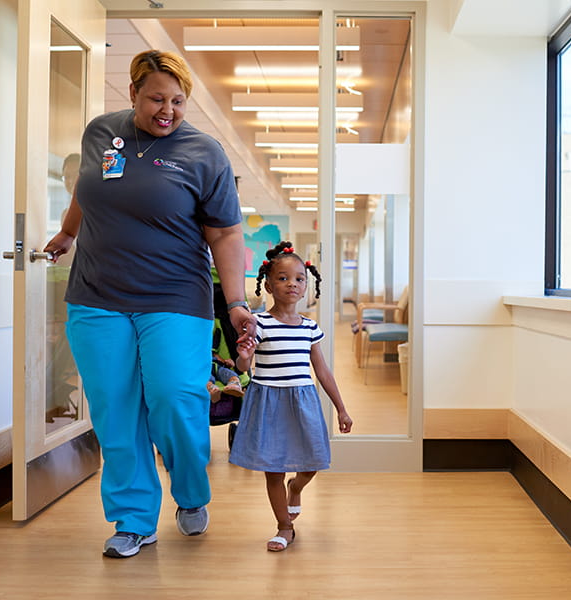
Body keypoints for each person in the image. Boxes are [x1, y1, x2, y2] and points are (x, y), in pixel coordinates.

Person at [42, 49, 255, 559]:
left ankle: (190, 491)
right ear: (132, 93)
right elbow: (87, 188)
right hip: (96, 296)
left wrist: (237, 303)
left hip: (175, 297)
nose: (168, 110)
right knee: (115, 410)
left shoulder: (204, 153)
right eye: (157, 98)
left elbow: (225, 234)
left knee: (176, 398)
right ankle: (134, 519)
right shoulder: (101, 132)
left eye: (179, 101)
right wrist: (69, 232)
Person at [229, 241, 353, 552]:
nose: (292, 284)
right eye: (283, 278)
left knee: (312, 462)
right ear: (269, 285)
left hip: (303, 401)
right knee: (273, 468)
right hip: (268, 401)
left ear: (306, 285)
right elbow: (245, 365)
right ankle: (284, 527)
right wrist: (244, 354)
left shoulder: (310, 328)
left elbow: (322, 371)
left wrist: (341, 409)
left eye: (299, 278)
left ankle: (295, 487)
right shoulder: (260, 323)